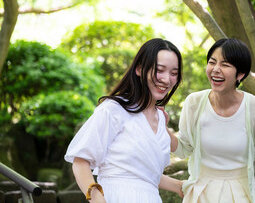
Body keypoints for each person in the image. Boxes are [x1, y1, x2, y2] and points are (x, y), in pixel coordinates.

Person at [65, 38, 184, 203]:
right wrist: (98, 199)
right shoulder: (114, 109)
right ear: (139, 69)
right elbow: (80, 161)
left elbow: (146, 174)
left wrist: (180, 186)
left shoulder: (161, 119)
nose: (166, 79)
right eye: (160, 70)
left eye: (174, 73)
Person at [167, 38, 255, 203]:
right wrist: (162, 128)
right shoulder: (194, 103)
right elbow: (183, 149)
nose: (215, 69)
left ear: (241, 74)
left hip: (243, 194)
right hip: (201, 194)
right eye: (212, 62)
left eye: (225, 65)